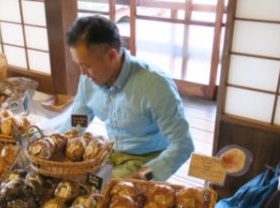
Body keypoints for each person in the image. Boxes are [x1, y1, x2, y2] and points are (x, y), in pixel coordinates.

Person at [64, 15, 195, 180]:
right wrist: (58, 142)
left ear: (111, 56)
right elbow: (79, 119)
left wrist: (147, 174)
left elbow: (183, 145)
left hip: (147, 158)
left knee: (106, 196)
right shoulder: (89, 78)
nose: (82, 73)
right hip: (109, 152)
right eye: (79, 64)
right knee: (73, 184)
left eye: (87, 65)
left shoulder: (155, 85)